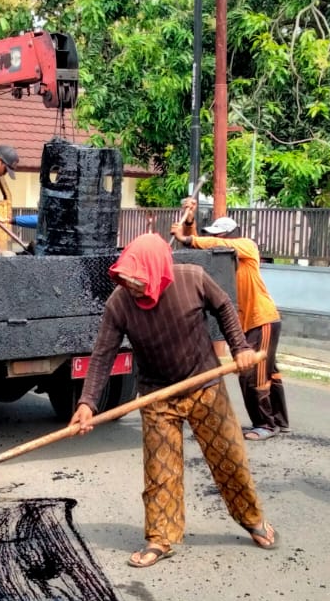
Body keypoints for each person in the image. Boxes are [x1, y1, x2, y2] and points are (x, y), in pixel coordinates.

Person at [72, 233, 277, 568]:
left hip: (204, 385)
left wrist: (239, 347)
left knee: (229, 457)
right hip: (157, 394)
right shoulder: (119, 303)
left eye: (137, 281)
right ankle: (160, 538)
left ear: (157, 271)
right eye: (125, 280)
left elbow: (225, 305)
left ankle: (252, 518)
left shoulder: (192, 279)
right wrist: (87, 403)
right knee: (160, 471)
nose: (132, 288)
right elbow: (103, 354)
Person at [171, 201, 288, 439]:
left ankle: (266, 424)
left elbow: (216, 244)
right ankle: (278, 420)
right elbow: (201, 252)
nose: (215, 240)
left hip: (261, 319)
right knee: (267, 370)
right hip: (248, 323)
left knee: (252, 372)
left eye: (219, 236)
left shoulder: (246, 247)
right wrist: (190, 222)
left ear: (229, 235)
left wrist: (186, 239)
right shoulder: (225, 261)